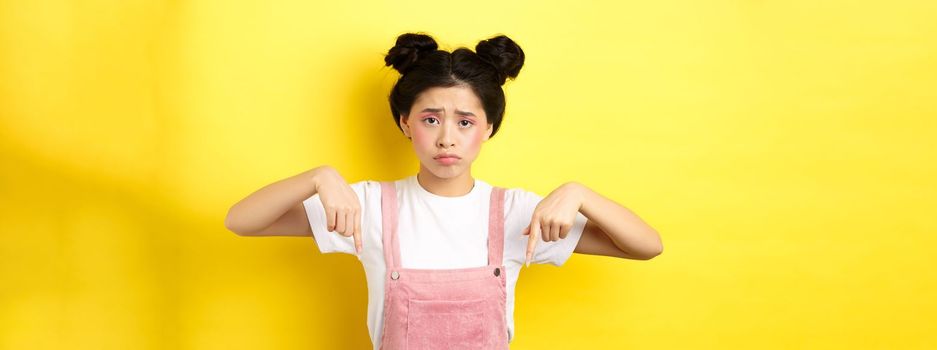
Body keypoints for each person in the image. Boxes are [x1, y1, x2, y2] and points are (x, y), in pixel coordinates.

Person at [224, 32, 663, 350]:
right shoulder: (370, 207)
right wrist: (318, 177)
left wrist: (578, 193)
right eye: (430, 119)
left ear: (489, 127)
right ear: (404, 123)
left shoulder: (516, 212)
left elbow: (646, 246)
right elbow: (241, 221)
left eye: (465, 122)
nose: (447, 138)